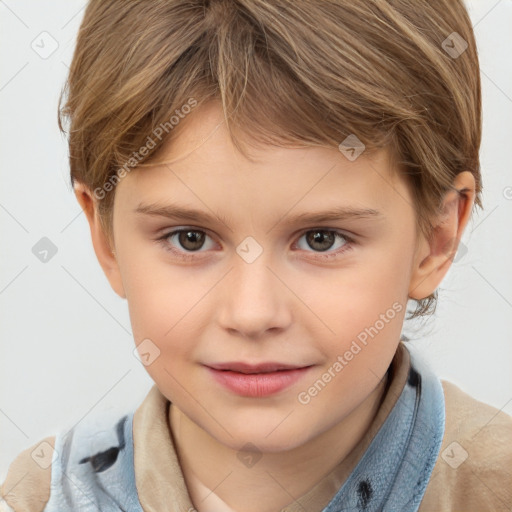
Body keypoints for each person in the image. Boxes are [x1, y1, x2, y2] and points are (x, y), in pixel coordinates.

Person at [1, 0, 511, 511]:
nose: (251, 314)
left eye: (321, 239)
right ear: (106, 237)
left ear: (438, 237)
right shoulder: (41, 496)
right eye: (190, 239)